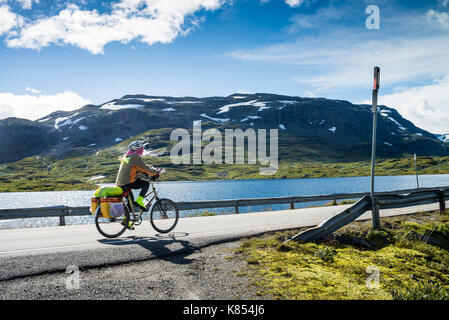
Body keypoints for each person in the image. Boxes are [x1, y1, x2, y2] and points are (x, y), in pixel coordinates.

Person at [116, 140, 164, 211]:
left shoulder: (127, 156)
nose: (142, 150)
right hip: (127, 182)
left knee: (130, 204)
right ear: (138, 149)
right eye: (141, 149)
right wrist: (157, 173)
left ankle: (127, 220)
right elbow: (145, 168)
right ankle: (139, 200)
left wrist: (144, 172)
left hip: (120, 183)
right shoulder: (135, 157)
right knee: (146, 184)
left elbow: (136, 169)